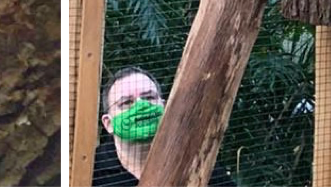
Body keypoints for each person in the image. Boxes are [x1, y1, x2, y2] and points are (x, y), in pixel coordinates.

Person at [92, 66, 236, 186]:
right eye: (126, 103)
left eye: (149, 97)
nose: (142, 105)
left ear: (164, 107)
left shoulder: (193, 158)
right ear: (108, 123)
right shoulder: (91, 169)